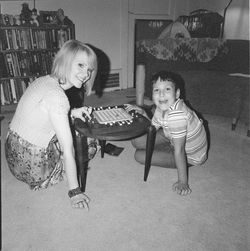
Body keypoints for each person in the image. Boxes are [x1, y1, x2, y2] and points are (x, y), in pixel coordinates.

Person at [5, 39, 97, 209]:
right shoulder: (58, 98)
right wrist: (74, 191)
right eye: (80, 65)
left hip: (12, 153)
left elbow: (45, 113)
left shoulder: (44, 80)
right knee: (89, 144)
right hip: (33, 168)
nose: (86, 74)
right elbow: (67, 149)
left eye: (89, 69)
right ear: (65, 61)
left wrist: (72, 113)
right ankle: (50, 176)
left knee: (70, 125)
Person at [131, 71, 208, 196]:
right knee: (136, 141)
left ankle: (182, 173)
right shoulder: (160, 106)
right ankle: (165, 148)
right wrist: (144, 114)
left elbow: (180, 150)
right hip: (172, 136)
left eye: (167, 89)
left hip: (189, 155)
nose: (161, 94)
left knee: (139, 156)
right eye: (156, 90)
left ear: (177, 93)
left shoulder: (177, 116)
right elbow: (153, 127)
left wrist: (183, 182)